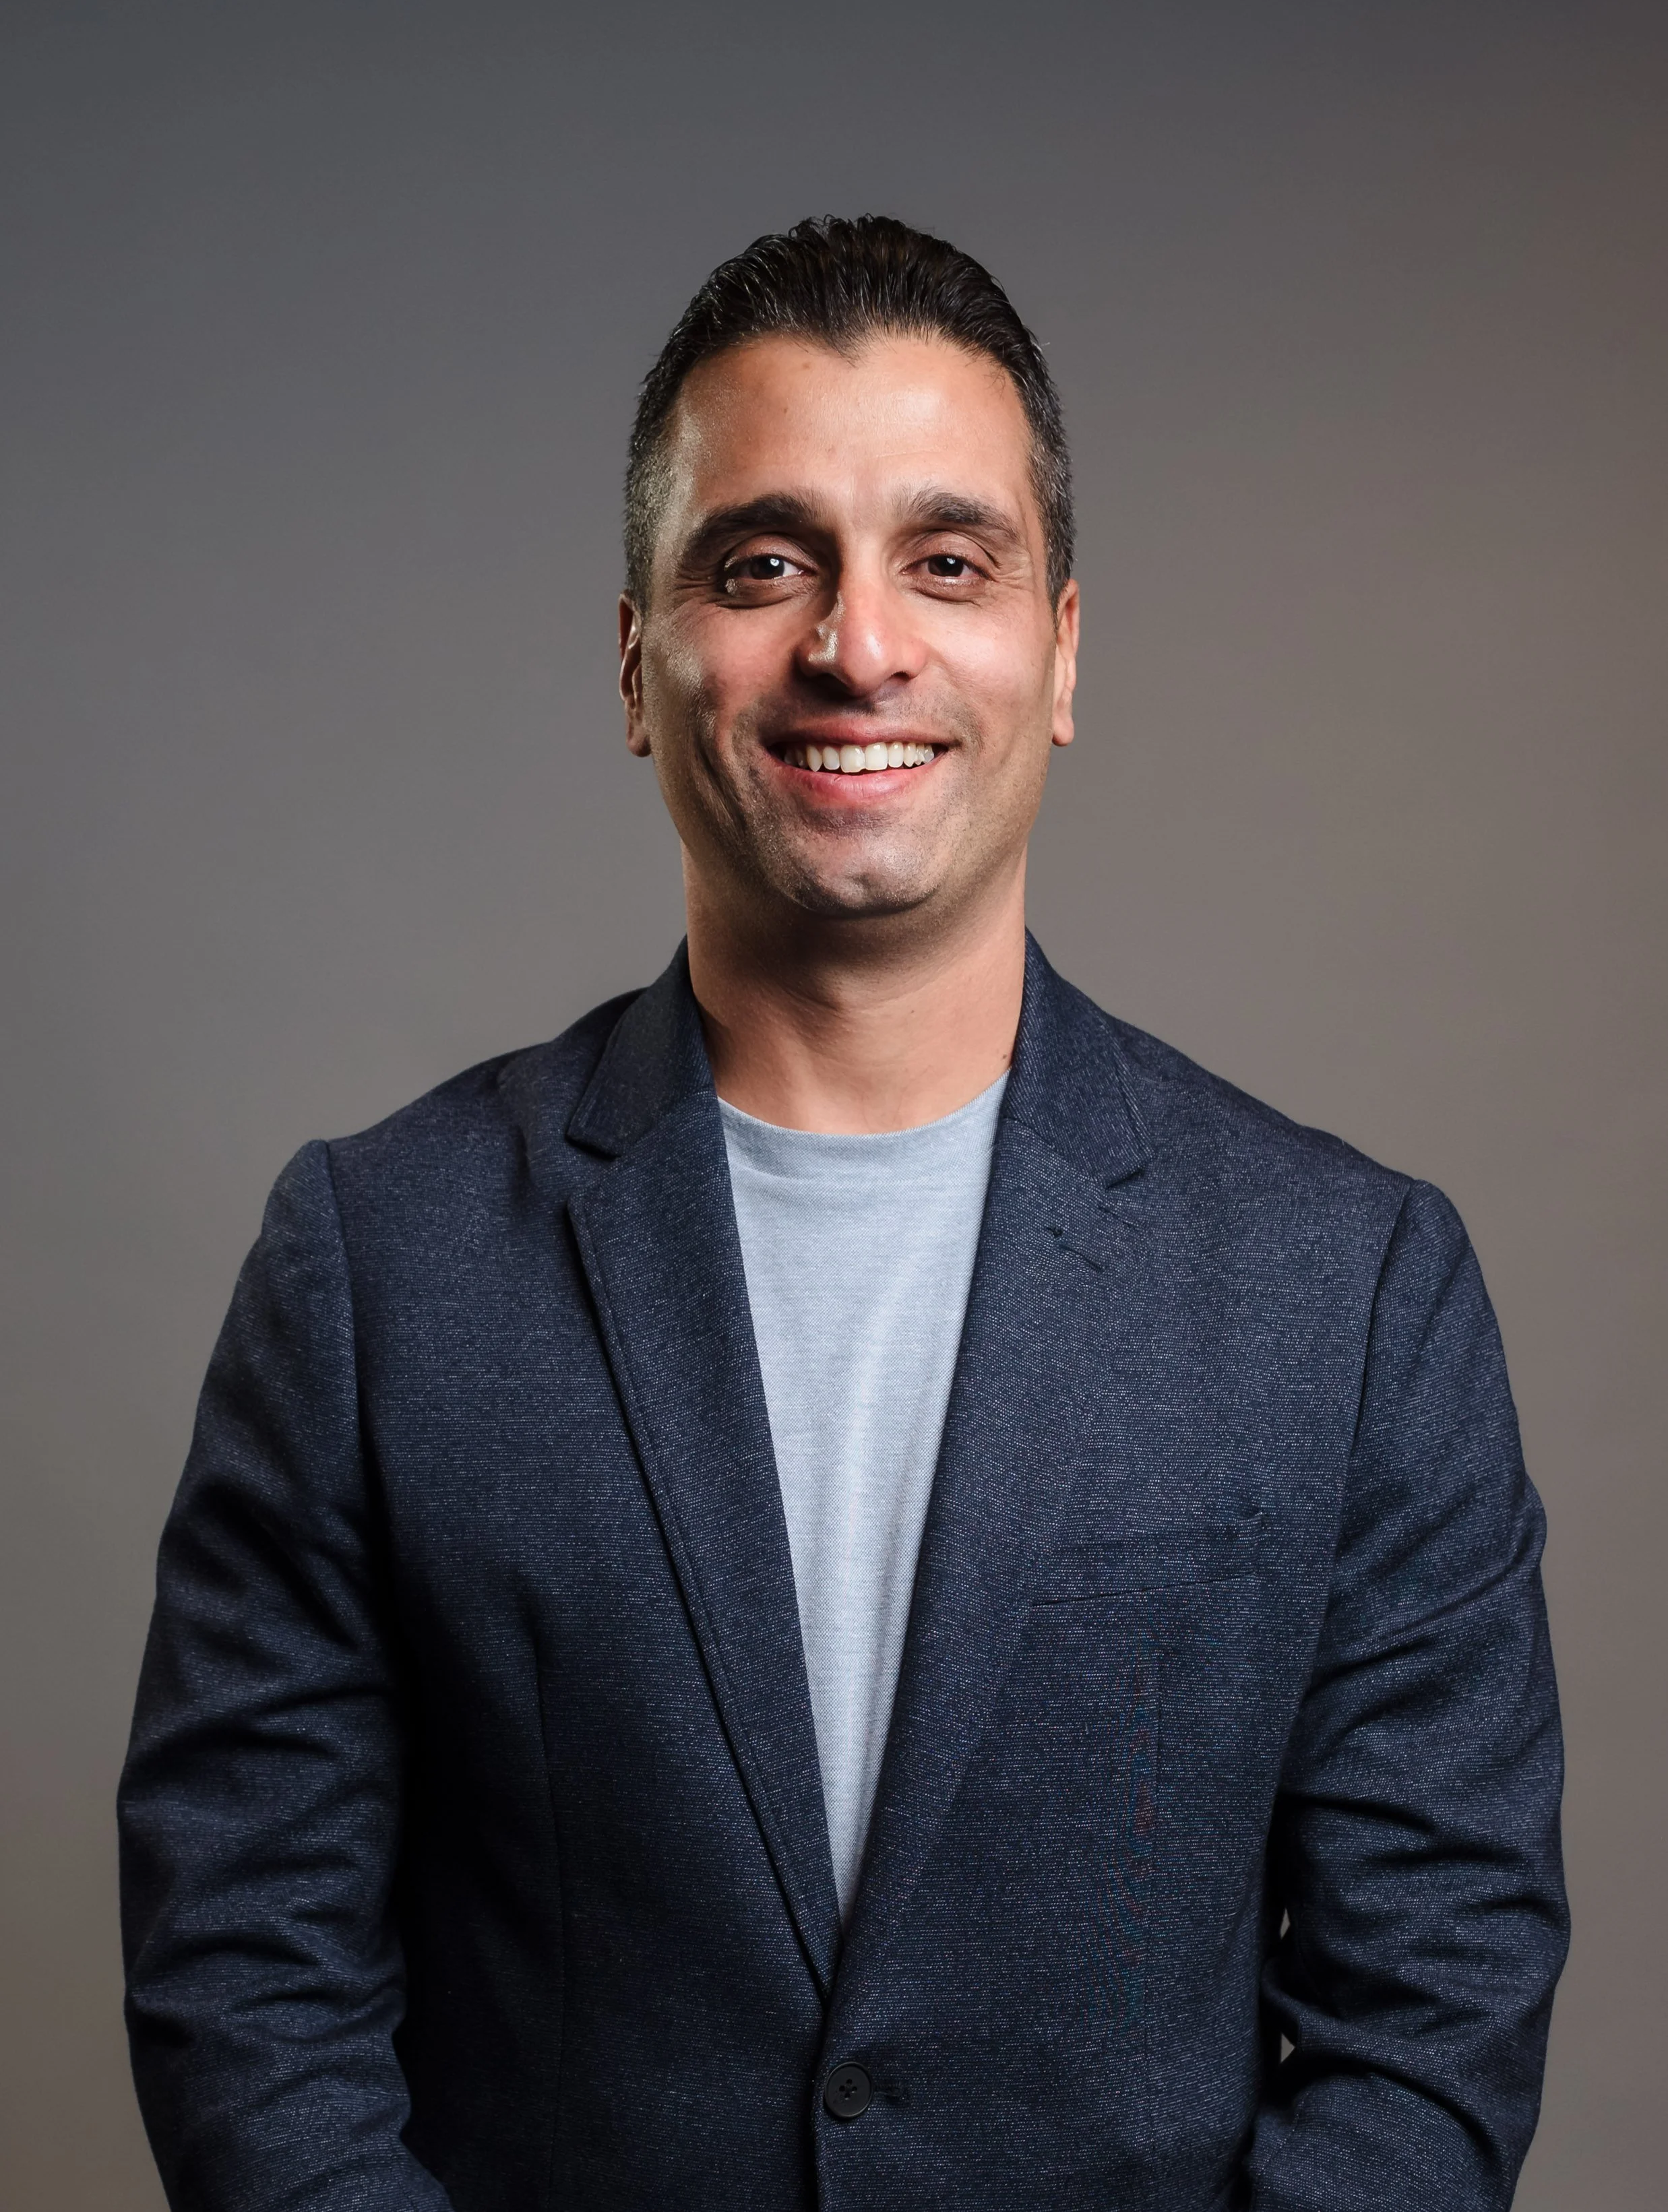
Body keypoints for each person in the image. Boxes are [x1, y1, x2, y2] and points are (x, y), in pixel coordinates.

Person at [119, 216, 1568, 2212]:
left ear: (1061, 654)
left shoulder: (1354, 1290)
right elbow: (246, 1975)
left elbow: (1437, 2011)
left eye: (948, 561)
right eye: (764, 559)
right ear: (642, 663)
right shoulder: (378, 1267)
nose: (857, 643)